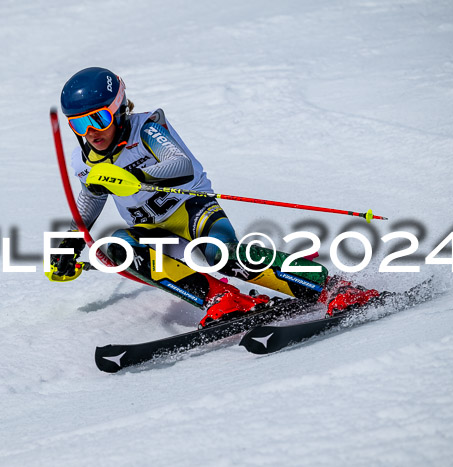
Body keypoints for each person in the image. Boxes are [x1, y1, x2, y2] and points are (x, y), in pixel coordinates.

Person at [49, 67, 379, 327]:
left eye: (99, 118)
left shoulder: (145, 129)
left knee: (223, 256)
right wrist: (72, 239)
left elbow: (180, 164)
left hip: (194, 212)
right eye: (79, 124)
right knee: (117, 247)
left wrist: (135, 179)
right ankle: (223, 299)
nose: (91, 131)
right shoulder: (85, 159)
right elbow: (91, 195)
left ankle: (335, 288)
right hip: (154, 231)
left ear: (119, 109)